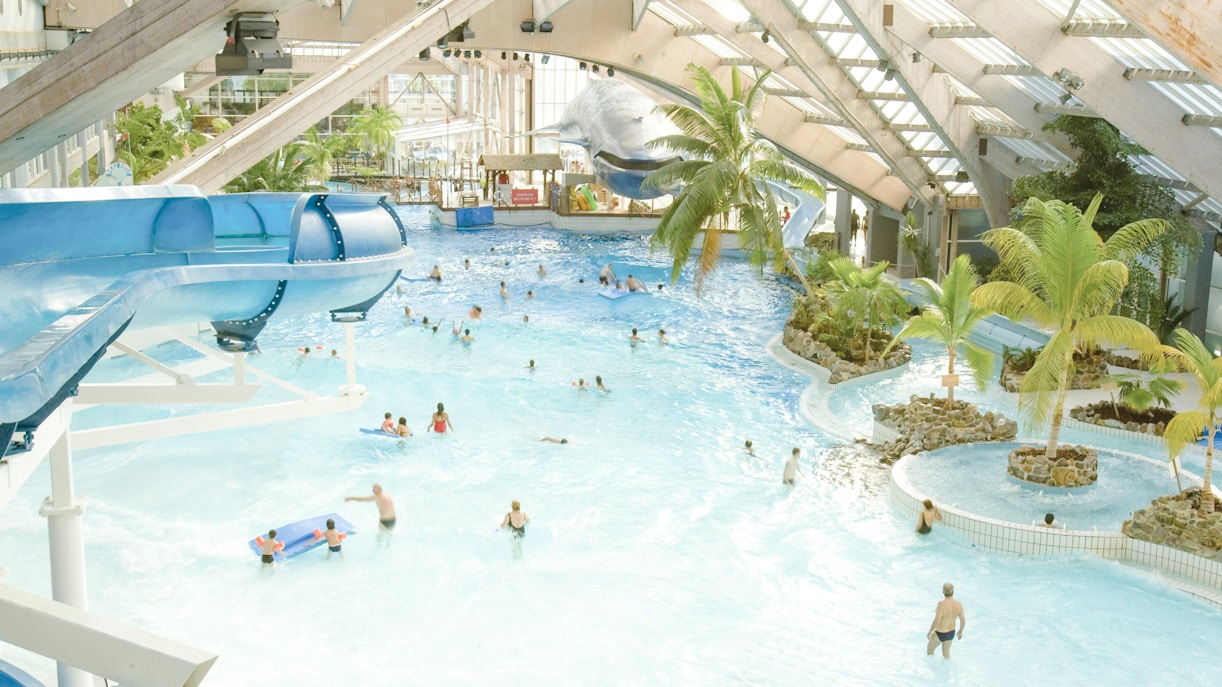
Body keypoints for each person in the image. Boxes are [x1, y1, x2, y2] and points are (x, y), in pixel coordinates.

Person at [926, 582, 966, 659]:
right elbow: (963, 620)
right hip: (951, 633)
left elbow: (937, 620)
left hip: (940, 633)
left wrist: (930, 631)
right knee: (946, 655)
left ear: (943, 591)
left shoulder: (941, 604)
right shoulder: (959, 604)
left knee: (930, 651)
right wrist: (960, 631)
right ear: (953, 591)